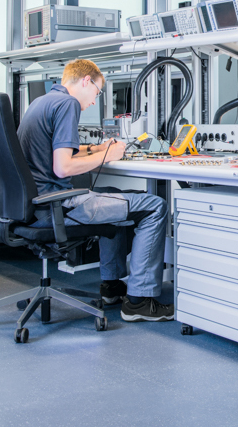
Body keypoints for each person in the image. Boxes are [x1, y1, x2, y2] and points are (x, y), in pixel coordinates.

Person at [17, 59, 174, 322]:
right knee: (155, 206)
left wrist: (97, 149)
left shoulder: (42, 102)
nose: (93, 101)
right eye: (97, 93)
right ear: (86, 81)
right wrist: (108, 155)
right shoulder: (68, 104)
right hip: (61, 207)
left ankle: (112, 288)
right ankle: (139, 302)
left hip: (38, 205)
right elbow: (63, 167)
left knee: (111, 191)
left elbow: (61, 151)